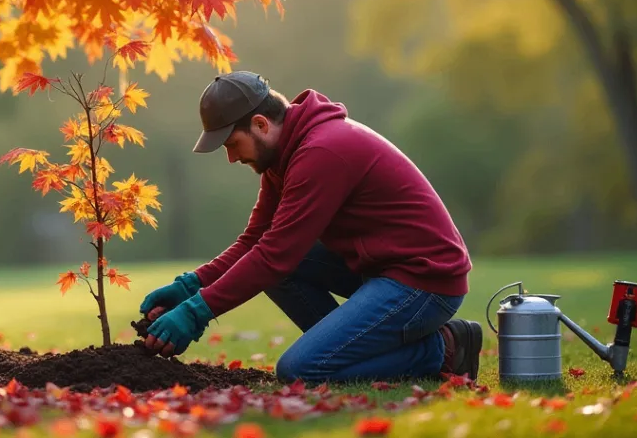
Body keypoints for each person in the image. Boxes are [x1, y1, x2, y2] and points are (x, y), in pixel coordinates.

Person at [140, 71, 483, 383]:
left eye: (232, 144)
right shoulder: (283, 155)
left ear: (260, 124)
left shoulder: (321, 152)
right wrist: (190, 286)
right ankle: (343, 348)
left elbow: (275, 255)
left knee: (300, 370)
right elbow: (256, 240)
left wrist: (197, 311)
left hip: (424, 281)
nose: (231, 157)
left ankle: (444, 348)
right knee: (280, 276)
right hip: (381, 270)